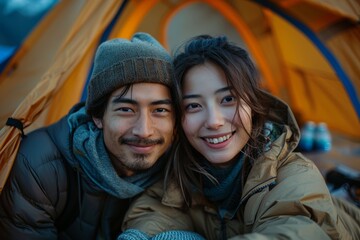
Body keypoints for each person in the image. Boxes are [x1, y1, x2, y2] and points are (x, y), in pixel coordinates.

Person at [119, 35, 360, 240]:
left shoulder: (293, 174)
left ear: (253, 106)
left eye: (228, 99)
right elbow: (154, 214)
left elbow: (294, 229)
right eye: (193, 106)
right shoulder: (177, 176)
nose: (214, 121)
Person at [0, 32, 181, 240]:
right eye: (126, 110)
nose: (144, 130)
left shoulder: (179, 168)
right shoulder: (41, 166)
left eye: (160, 110)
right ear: (97, 116)